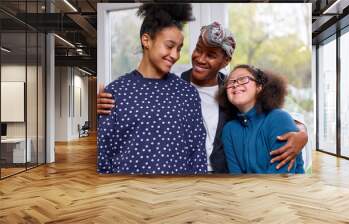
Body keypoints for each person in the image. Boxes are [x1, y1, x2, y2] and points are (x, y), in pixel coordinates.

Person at [97, 22, 308, 173]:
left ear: (225, 61)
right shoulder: (172, 85)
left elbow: (268, 114)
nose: (200, 58)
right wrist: (107, 103)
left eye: (211, 55)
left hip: (220, 178)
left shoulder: (233, 92)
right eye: (198, 50)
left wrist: (302, 132)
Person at [97, 3, 208, 174]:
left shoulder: (188, 94)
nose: (175, 55)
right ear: (146, 40)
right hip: (127, 194)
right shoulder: (115, 93)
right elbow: (104, 157)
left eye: (179, 49)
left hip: (179, 194)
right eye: (169, 46)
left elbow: (197, 154)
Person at [217, 65, 304, 174]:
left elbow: (280, 177)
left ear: (259, 87)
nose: (235, 84)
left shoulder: (278, 118)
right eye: (231, 82)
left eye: (243, 79)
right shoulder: (229, 130)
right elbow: (236, 177)